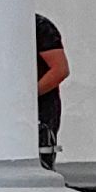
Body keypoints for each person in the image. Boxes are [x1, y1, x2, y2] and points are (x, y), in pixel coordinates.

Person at [35, 14, 70, 170]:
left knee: (41, 164)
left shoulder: (39, 26)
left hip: (41, 109)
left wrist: (27, 97)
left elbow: (59, 70)